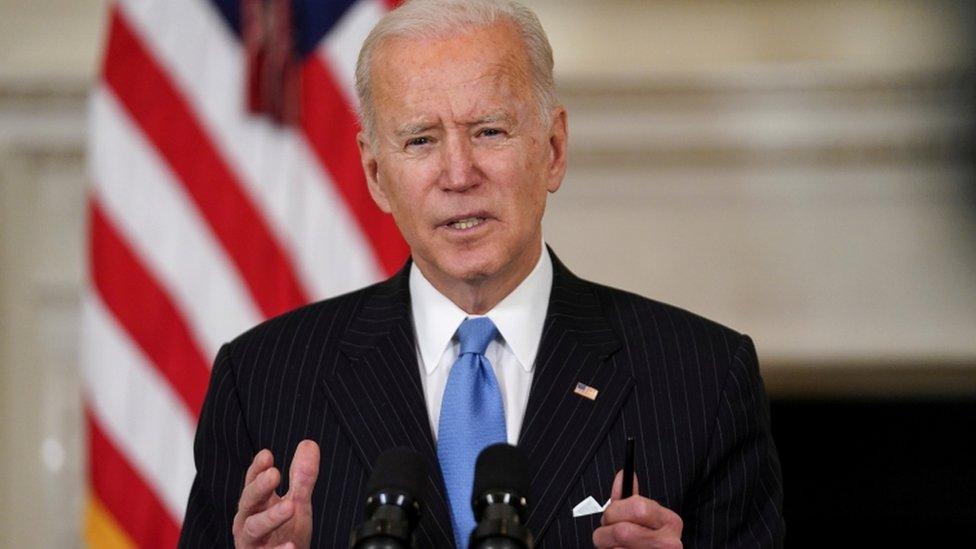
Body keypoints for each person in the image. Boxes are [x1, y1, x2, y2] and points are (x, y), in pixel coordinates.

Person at [178, 0, 784, 547]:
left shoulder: (702, 377)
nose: (459, 173)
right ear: (375, 175)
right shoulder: (261, 382)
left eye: (488, 131)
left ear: (552, 150)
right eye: (420, 141)